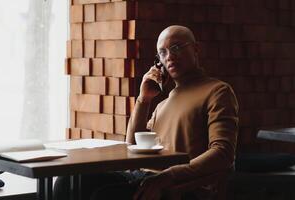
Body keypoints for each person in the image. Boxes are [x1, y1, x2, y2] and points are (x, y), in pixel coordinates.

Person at [53, 25, 238, 200]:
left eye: (176, 47)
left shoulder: (217, 91)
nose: (169, 57)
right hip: (142, 176)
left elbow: (223, 153)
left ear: (196, 49)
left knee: (104, 195)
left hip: (180, 186)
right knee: (67, 182)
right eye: (162, 53)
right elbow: (131, 145)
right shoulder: (162, 104)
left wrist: (169, 175)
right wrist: (144, 99)